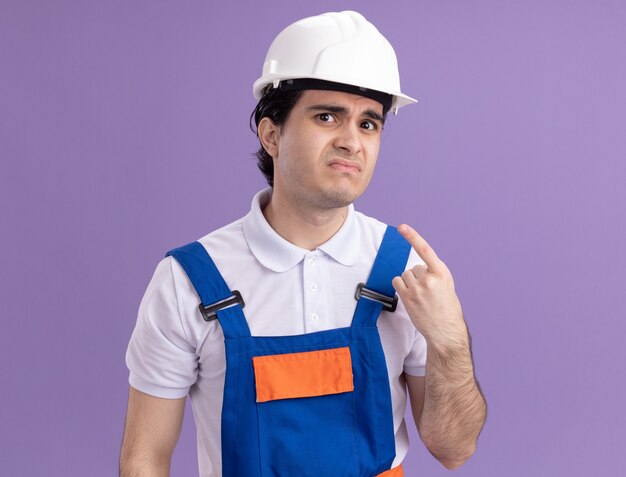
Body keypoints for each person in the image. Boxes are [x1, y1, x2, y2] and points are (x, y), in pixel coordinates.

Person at [120, 10, 486, 477]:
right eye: (327, 116)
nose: (351, 141)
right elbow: (144, 457)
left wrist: (450, 340)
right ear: (271, 134)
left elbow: (454, 450)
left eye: (369, 124)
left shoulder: (403, 271)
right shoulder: (189, 281)